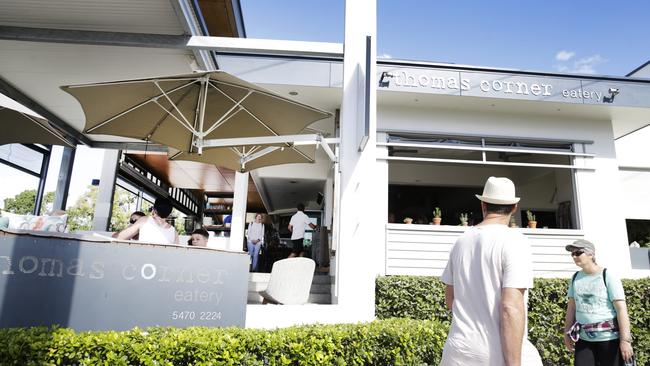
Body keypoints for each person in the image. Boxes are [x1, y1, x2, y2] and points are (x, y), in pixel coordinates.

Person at [440, 176, 542, 366]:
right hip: (496, 354)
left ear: (483, 205)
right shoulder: (515, 242)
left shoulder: (461, 241)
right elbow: (510, 308)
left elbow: (450, 299)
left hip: (457, 352)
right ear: (514, 208)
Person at [563, 239, 634, 365]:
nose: (574, 256)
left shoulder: (608, 276)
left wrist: (625, 341)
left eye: (578, 252)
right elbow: (571, 308)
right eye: (572, 254)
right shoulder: (575, 278)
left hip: (609, 340)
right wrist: (567, 333)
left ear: (591, 254)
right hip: (583, 339)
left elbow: (621, 309)